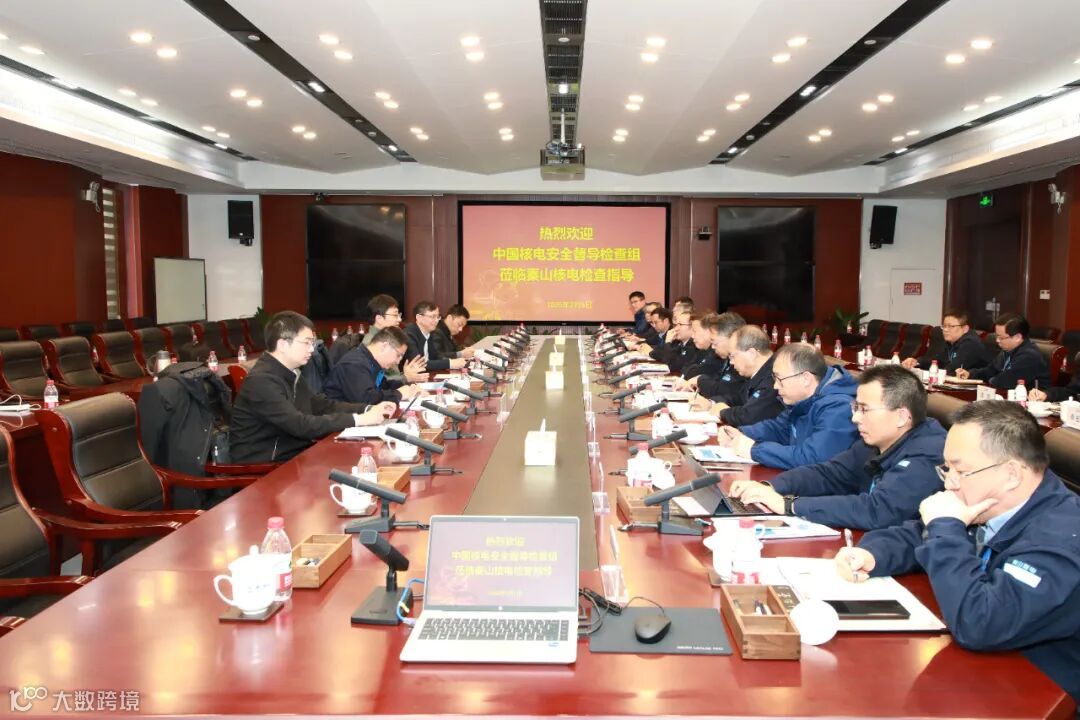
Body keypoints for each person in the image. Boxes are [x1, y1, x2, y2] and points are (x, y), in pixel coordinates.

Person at [836, 401, 1080, 703]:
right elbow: (920, 532)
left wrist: (946, 528)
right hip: (989, 670)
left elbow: (981, 623)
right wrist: (872, 553)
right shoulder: (992, 503)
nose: (950, 483)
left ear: (1012, 474)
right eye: (946, 469)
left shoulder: (1063, 539)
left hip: (1042, 694)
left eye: (960, 470)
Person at [731, 364, 945, 528]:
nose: (855, 418)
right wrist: (770, 487)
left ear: (902, 416)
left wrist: (790, 505)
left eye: (864, 409)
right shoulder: (873, 442)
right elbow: (829, 473)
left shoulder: (929, 453)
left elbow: (877, 510)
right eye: (855, 407)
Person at [230, 311, 395, 463]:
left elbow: (321, 405)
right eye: (306, 343)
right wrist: (358, 420)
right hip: (267, 465)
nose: (311, 349)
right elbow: (299, 425)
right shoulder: (262, 381)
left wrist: (367, 409)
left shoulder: (291, 372)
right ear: (282, 344)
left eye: (312, 342)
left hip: (294, 455)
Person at [717, 342, 857, 469]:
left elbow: (812, 458)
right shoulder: (802, 399)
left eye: (780, 379)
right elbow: (779, 429)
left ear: (805, 379)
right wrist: (742, 433)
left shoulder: (839, 408)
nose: (775, 386)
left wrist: (754, 450)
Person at [701, 325, 783, 427]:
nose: (731, 362)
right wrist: (712, 403)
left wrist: (723, 412)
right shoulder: (759, 371)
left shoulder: (774, 376)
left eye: (732, 356)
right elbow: (740, 397)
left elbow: (749, 416)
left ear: (751, 353)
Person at [323, 326, 420, 405]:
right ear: (384, 346)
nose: (398, 361)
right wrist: (399, 394)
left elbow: (383, 386)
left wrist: (408, 387)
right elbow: (366, 399)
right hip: (341, 420)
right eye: (398, 355)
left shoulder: (370, 361)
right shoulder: (354, 364)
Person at [957, 313, 1050, 390]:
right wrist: (970, 374)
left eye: (1001, 337)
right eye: (996, 336)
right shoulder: (1008, 350)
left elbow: (1006, 382)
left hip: (1031, 402)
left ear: (1017, 337)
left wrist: (991, 380)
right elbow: (990, 371)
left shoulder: (1030, 356)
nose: (997, 340)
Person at [682, 312, 747, 405]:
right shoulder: (726, 359)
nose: (712, 347)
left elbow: (731, 393)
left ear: (732, 338)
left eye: (714, 342)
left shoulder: (743, 363)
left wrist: (701, 380)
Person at [901, 308, 992, 374]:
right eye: (944, 326)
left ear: (965, 329)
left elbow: (952, 370)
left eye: (951, 326)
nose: (945, 330)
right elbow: (939, 361)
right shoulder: (952, 342)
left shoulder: (971, 344)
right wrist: (917, 362)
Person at [361, 294, 428, 382]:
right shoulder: (371, 344)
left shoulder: (388, 338)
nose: (399, 319)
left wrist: (406, 374)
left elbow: (391, 376)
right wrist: (405, 377)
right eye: (395, 315)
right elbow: (378, 382)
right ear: (379, 318)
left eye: (399, 315)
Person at [404, 301, 467, 372]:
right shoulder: (409, 334)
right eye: (433, 317)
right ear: (419, 317)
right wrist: (450, 363)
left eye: (438, 317)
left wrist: (456, 360)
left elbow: (436, 357)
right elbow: (419, 364)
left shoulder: (430, 332)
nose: (436, 320)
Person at [679, 312, 724, 381]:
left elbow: (693, 374)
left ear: (708, 332)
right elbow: (684, 368)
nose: (692, 336)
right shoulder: (701, 350)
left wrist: (692, 369)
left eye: (695, 331)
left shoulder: (717, 353)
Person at [660, 310, 698, 375]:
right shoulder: (680, 343)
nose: (676, 329)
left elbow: (673, 367)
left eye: (680, 324)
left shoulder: (694, 346)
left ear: (692, 326)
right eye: (676, 325)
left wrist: (668, 342)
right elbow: (659, 356)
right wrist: (668, 343)